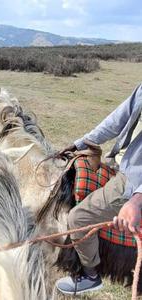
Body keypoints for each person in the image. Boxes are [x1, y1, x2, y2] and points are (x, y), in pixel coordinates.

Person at [56, 83, 142, 295]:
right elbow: (117, 119)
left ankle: (90, 275)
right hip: (124, 163)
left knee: (78, 218)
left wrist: (137, 198)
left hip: (133, 179)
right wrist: (80, 143)